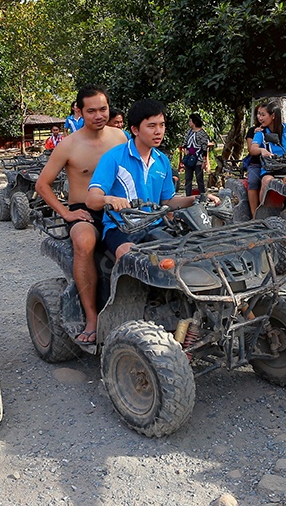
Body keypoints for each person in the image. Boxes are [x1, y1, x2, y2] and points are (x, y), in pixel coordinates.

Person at [34, 86, 128, 343]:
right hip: (83, 210)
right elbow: (42, 185)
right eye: (91, 111)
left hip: (118, 207)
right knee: (84, 242)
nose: (98, 115)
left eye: (103, 109)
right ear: (79, 111)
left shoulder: (120, 137)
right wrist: (66, 213)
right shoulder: (68, 145)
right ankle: (91, 317)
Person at [87, 99, 219, 263]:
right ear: (135, 129)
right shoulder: (113, 158)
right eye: (152, 126)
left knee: (190, 256)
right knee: (131, 259)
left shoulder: (162, 160)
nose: (159, 131)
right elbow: (92, 200)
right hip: (121, 228)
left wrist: (197, 198)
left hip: (156, 225)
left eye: (162, 125)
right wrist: (109, 199)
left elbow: (168, 201)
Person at [179, 112, 213, 196]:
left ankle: (202, 196)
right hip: (188, 158)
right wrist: (185, 149)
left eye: (190, 121)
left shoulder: (202, 133)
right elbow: (185, 143)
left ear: (194, 122)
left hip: (198, 159)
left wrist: (204, 161)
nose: (189, 122)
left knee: (199, 179)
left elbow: (204, 148)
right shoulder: (189, 132)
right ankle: (188, 196)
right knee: (188, 178)